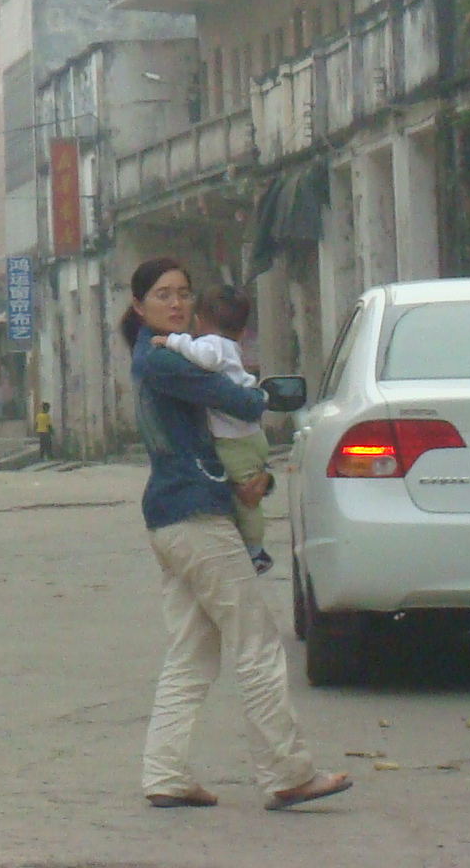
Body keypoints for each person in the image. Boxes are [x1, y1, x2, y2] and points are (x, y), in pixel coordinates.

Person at [122, 255, 350, 814]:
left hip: (175, 514)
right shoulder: (164, 359)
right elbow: (243, 402)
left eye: (183, 293)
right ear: (139, 306)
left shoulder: (157, 356)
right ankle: (287, 773)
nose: (176, 303)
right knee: (257, 642)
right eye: (162, 294)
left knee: (193, 652)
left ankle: (165, 773)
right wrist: (258, 396)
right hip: (195, 515)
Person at [164, 290, 275, 573]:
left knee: (247, 499)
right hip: (249, 438)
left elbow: (204, 358)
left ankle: (255, 550)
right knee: (249, 494)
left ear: (199, 321)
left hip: (234, 441)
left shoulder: (212, 344)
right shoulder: (231, 347)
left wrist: (173, 341)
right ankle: (253, 548)